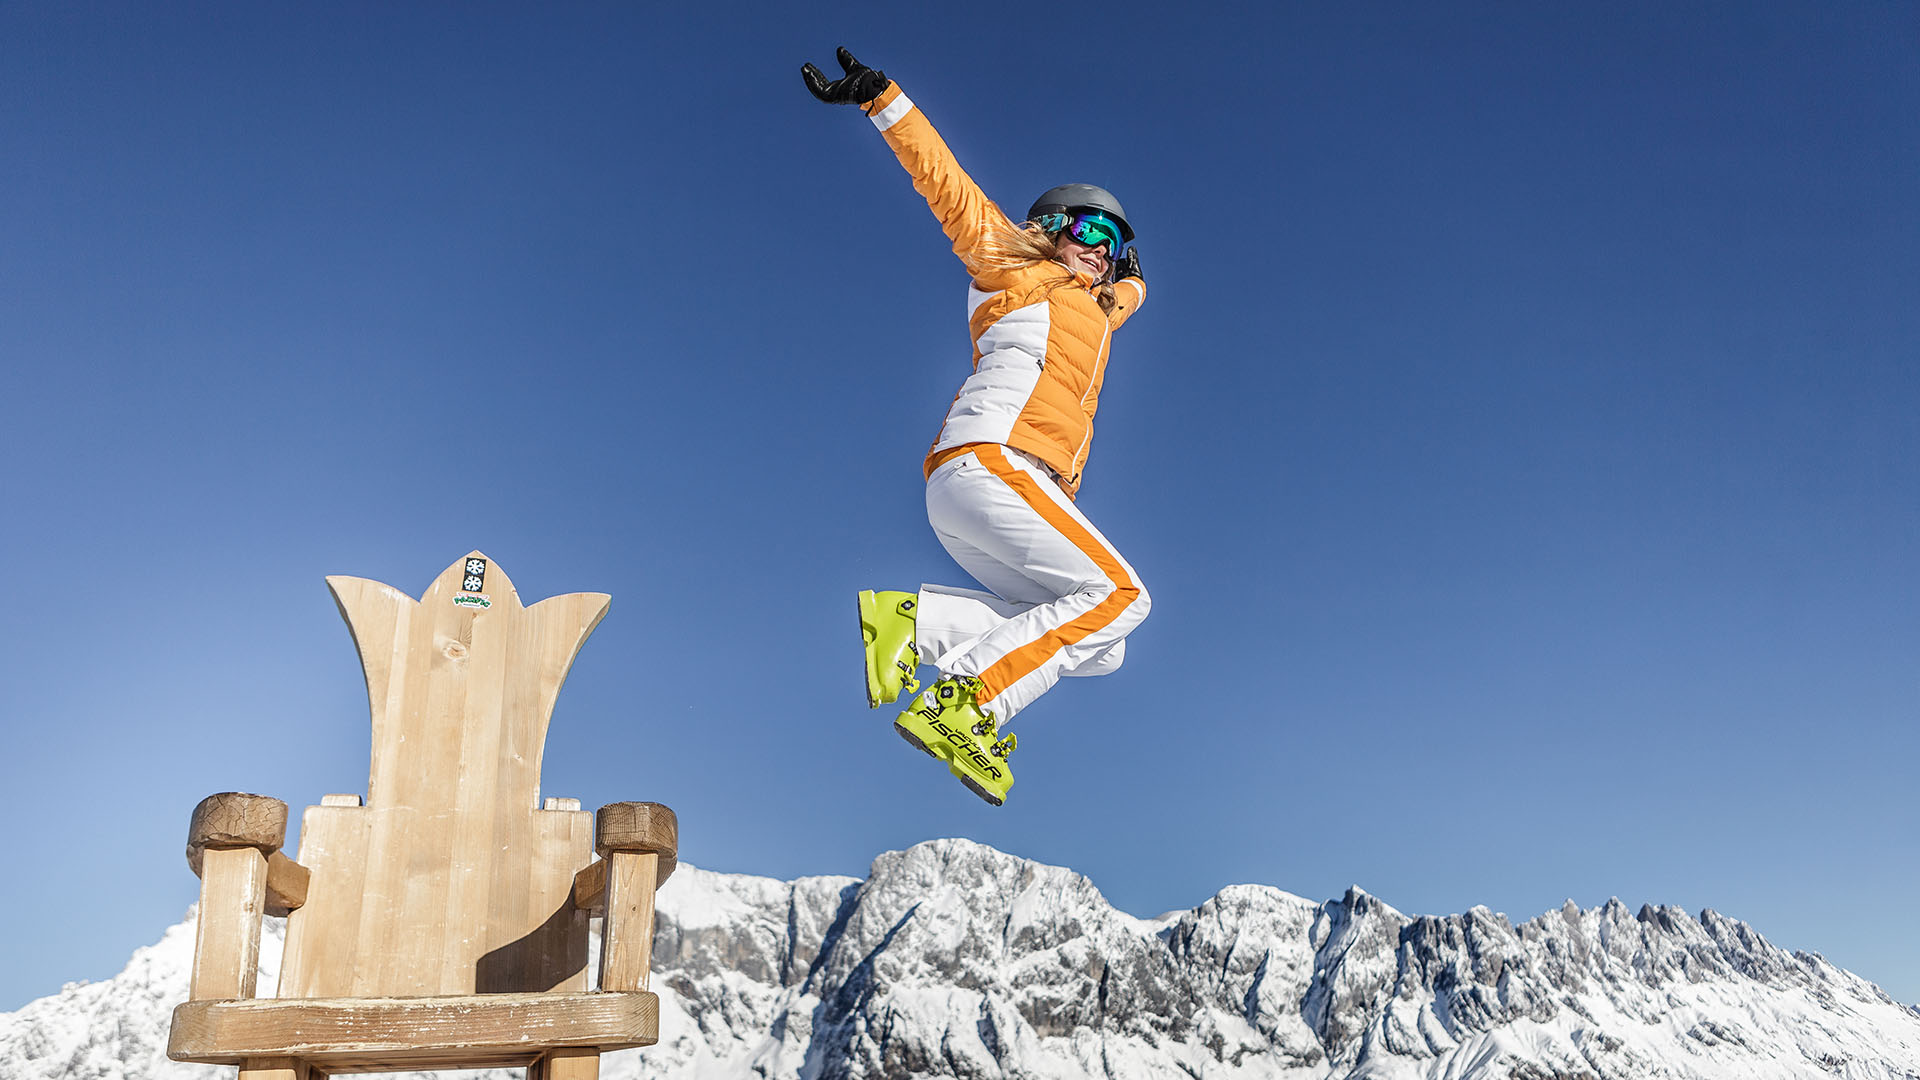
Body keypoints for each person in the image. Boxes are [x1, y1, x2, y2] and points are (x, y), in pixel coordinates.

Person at [804, 47, 1152, 807]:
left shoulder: (1095, 314)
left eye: (1114, 243)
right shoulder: (1013, 268)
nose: (1100, 250)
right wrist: (883, 99)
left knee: (1104, 646)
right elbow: (948, 186)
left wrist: (1132, 284)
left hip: (993, 492)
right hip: (993, 462)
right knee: (1123, 596)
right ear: (1050, 227)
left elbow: (1118, 305)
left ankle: (912, 623)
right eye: (1089, 228)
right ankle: (967, 701)